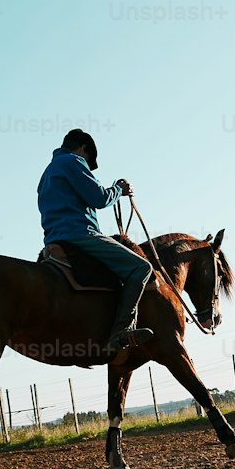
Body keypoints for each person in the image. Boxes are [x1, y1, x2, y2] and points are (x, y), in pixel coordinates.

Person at [37, 129, 154, 356]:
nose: (87, 164)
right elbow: (99, 198)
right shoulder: (73, 161)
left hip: (53, 238)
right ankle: (122, 330)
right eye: (89, 159)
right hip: (80, 233)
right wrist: (119, 189)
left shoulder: (46, 174)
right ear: (82, 148)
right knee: (142, 268)